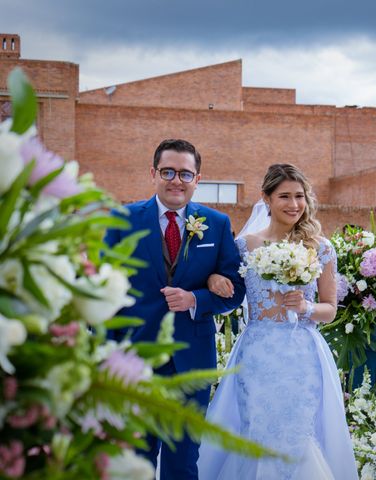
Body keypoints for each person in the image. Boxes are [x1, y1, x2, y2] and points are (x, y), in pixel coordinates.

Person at [198, 164, 358, 480]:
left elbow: (331, 309)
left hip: (302, 353)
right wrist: (214, 277)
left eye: (299, 196)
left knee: (298, 432)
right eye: (284, 196)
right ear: (266, 199)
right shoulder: (245, 246)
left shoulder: (321, 247)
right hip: (256, 352)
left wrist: (307, 307)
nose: (294, 204)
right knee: (256, 428)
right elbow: (227, 282)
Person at [104, 139, 246, 480]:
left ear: (197, 178)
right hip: (135, 358)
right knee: (135, 458)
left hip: (191, 361)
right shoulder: (122, 219)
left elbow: (235, 290)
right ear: (153, 173)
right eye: (168, 171)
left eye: (185, 173)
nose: (176, 180)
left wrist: (196, 298)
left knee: (182, 463)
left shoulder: (217, 223)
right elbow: (104, 289)